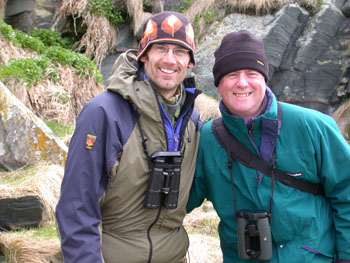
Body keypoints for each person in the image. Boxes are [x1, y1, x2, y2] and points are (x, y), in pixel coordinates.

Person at [186, 30, 350, 263]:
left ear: (264, 78)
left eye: (252, 73)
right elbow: (178, 201)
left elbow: (347, 193)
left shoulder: (314, 126)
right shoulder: (207, 140)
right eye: (232, 74)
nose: (242, 83)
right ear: (218, 84)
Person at [55, 11, 202, 263]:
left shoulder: (192, 120)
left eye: (179, 51)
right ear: (143, 55)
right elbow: (76, 206)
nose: (170, 59)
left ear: (190, 61)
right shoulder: (104, 113)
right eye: (160, 49)